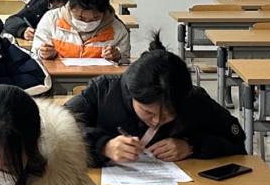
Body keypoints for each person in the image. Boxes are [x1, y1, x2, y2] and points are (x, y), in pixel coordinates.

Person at [66, 33, 246, 166]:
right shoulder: (103, 91)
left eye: (168, 115)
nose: (157, 120)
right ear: (131, 93)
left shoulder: (193, 100)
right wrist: (103, 146)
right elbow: (56, 129)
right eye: (148, 112)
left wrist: (192, 146)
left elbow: (235, 141)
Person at [32, 0, 130, 64]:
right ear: (70, 8)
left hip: (101, 76)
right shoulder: (51, 20)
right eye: (80, 18)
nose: (87, 23)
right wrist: (43, 53)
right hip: (58, 76)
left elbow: (126, 62)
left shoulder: (117, 29)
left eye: (95, 18)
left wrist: (118, 56)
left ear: (104, 12)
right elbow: (35, 54)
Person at [3, 0, 76, 42]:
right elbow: (11, 21)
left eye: (62, 8)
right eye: (53, 7)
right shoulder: (42, 3)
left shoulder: (80, 1)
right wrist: (22, 31)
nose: (56, 12)